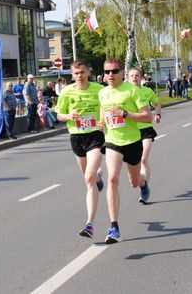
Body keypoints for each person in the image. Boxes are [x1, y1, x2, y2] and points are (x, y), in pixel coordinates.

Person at [99, 58, 152, 244]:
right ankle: (114, 227)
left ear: (123, 72)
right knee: (112, 179)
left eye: (114, 71)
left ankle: (143, 184)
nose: (110, 75)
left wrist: (125, 114)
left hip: (133, 142)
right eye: (107, 72)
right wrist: (101, 123)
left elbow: (147, 117)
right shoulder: (103, 93)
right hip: (113, 142)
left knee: (134, 182)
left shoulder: (133, 91)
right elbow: (103, 113)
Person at [55, 60, 105, 238]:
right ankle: (98, 175)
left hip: (95, 135)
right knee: (87, 178)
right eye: (76, 74)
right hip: (76, 137)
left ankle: (89, 224)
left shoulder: (99, 89)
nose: (80, 76)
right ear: (72, 75)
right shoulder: (66, 92)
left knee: (88, 178)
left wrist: (103, 120)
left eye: (82, 72)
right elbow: (59, 115)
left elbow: (107, 107)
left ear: (88, 72)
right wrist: (70, 115)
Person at [127, 68, 162, 203]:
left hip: (146, 129)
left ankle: (144, 186)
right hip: (130, 131)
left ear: (141, 77)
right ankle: (141, 182)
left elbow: (157, 102)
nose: (134, 77)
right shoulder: (124, 92)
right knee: (133, 163)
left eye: (137, 75)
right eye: (132, 75)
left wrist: (157, 114)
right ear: (128, 78)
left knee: (143, 159)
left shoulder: (147, 91)